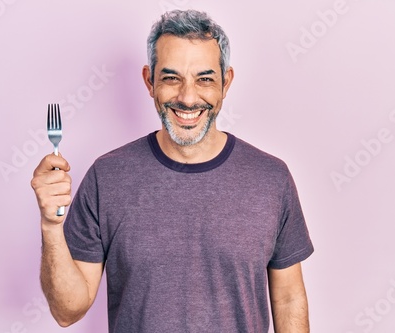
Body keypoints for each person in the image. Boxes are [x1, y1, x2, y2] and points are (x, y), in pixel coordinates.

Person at [31, 9, 314, 333]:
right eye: (171, 78)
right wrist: (51, 227)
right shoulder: (106, 178)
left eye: (204, 78)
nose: (188, 97)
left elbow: (289, 297)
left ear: (226, 82)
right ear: (150, 81)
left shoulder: (271, 179)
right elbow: (68, 311)